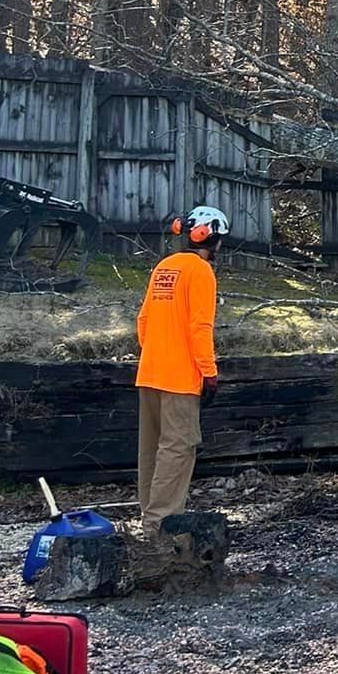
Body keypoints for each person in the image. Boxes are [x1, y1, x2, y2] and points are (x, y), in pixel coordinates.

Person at [135, 205, 228, 535]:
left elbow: (143, 322)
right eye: (219, 240)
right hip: (180, 379)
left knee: (151, 450)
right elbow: (199, 327)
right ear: (209, 236)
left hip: (149, 374)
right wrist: (209, 373)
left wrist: (156, 355)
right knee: (177, 449)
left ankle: (149, 521)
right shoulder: (201, 272)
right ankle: (162, 527)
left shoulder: (164, 266)